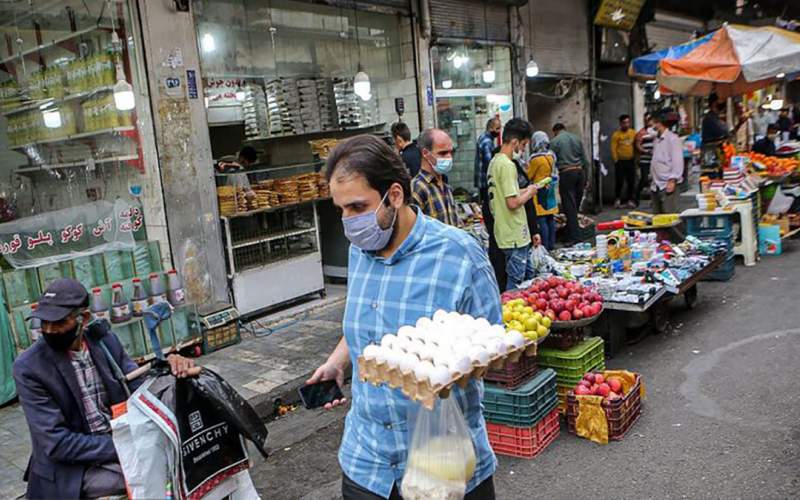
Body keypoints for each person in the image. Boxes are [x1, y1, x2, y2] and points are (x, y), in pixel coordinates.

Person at [308, 135, 500, 500]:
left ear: (394, 195)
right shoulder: (360, 251)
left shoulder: (460, 255)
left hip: (441, 460)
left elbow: (491, 345)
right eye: (341, 210)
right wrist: (337, 361)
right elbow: (368, 319)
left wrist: (438, 366)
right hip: (367, 462)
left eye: (357, 207)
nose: (348, 221)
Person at [12, 279, 200, 500]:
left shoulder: (103, 341)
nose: (49, 330)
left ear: (84, 318)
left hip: (117, 443)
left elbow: (140, 388)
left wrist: (173, 368)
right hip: (74, 467)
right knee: (154, 475)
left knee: (184, 457)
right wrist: (125, 446)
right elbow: (57, 443)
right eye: (44, 323)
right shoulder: (29, 367)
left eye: (59, 322)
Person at [488, 118, 538, 291]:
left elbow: (507, 195)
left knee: (529, 278)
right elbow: (512, 202)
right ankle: (508, 315)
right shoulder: (508, 166)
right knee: (516, 284)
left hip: (505, 232)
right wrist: (530, 193)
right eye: (523, 145)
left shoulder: (495, 162)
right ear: (515, 142)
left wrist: (527, 189)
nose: (523, 150)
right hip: (514, 234)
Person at [412, 128, 460, 227]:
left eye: (451, 152)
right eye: (442, 153)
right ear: (425, 153)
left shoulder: (445, 185)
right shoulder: (418, 188)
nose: (449, 157)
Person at [550, 123, 589, 244]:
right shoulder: (576, 138)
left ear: (555, 131)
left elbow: (551, 161)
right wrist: (586, 178)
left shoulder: (555, 141)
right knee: (575, 207)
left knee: (569, 208)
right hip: (580, 173)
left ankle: (574, 238)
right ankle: (572, 233)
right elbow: (585, 160)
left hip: (567, 174)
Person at [527, 131, 558, 250]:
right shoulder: (551, 156)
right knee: (550, 217)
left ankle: (545, 246)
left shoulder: (535, 159)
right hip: (549, 187)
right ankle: (552, 244)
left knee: (542, 219)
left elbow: (529, 175)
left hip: (539, 190)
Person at [650, 111, 684, 214]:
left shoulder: (673, 139)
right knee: (657, 217)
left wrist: (672, 180)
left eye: (653, 122)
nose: (651, 124)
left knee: (670, 215)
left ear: (659, 123)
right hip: (656, 183)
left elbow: (677, 161)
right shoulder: (656, 139)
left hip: (667, 182)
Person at [611, 114, 637, 209]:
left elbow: (636, 144)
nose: (626, 124)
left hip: (630, 160)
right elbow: (613, 148)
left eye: (628, 122)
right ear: (621, 123)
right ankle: (617, 199)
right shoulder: (616, 135)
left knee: (631, 181)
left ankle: (630, 200)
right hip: (620, 161)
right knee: (619, 181)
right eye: (624, 123)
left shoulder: (633, 133)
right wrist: (616, 160)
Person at [475, 117, 502, 203]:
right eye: (497, 128)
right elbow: (490, 163)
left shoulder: (484, 137)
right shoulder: (487, 141)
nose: (499, 131)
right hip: (486, 181)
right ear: (490, 128)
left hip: (483, 180)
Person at [634, 112, 656, 207]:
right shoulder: (641, 133)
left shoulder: (656, 132)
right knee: (644, 179)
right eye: (646, 120)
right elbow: (638, 145)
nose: (648, 122)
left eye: (650, 120)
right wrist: (645, 151)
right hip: (644, 159)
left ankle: (653, 200)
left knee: (655, 180)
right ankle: (636, 197)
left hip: (654, 159)